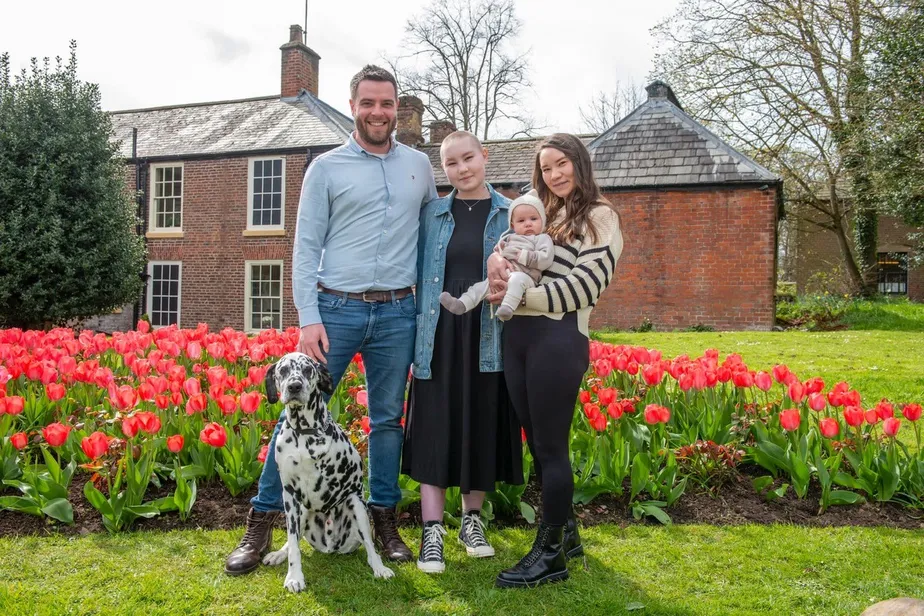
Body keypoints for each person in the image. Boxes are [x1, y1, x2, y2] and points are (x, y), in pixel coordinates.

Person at [224, 64, 437, 576]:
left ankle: (383, 520)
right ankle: (260, 524)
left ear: (397, 107)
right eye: (368, 103)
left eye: (386, 103)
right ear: (353, 105)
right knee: (294, 416)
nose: (378, 112)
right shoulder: (325, 167)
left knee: (387, 419)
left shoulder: (420, 166)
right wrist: (309, 316)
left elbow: (434, 234)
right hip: (335, 311)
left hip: (398, 311)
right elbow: (305, 247)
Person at [487, 133, 624, 588]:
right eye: (546, 168)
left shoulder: (600, 217)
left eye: (562, 164)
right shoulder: (544, 217)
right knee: (538, 445)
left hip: (559, 337)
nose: (555, 174)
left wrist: (517, 300)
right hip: (520, 338)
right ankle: (568, 536)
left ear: (580, 163)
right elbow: (511, 253)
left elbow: (586, 286)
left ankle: (549, 557)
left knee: (551, 447)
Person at [403, 130, 523, 574]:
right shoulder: (432, 214)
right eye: (451, 163)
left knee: (479, 420)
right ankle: (431, 530)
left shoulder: (513, 213)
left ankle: (472, 521)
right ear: (444, 169)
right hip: (438, 332)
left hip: (489, 331)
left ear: (484, 156)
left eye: (468, 158)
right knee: (434, 424)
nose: (462, 169)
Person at [439, 189, 554, 321]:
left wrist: (520, 255)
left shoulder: (542, 238)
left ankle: (507, 307)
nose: (528, 223)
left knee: (517, 280)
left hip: (527, 277)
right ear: (512, 225)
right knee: (480, 287)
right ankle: (461, 304)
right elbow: (498, 255)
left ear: (542, 220)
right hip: (503, 276)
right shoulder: (509, 238)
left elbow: (545, 259)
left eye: (533, 219)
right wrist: (499, 252)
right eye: (521, 221)